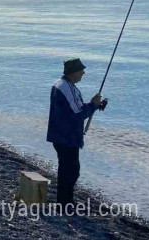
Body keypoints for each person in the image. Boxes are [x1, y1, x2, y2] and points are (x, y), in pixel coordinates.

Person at [47, 58, 103, 208]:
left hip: (60, 134)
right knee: (70, 171)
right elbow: (78, 114)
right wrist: (92, 105)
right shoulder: (67, 88)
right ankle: (65, 203)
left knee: (68, 169)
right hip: (67, 137)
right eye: (81, 70)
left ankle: (65, 201)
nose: (83, 73)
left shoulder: (62, 84)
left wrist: (94, 106)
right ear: (73, 72)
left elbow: (74, 109)